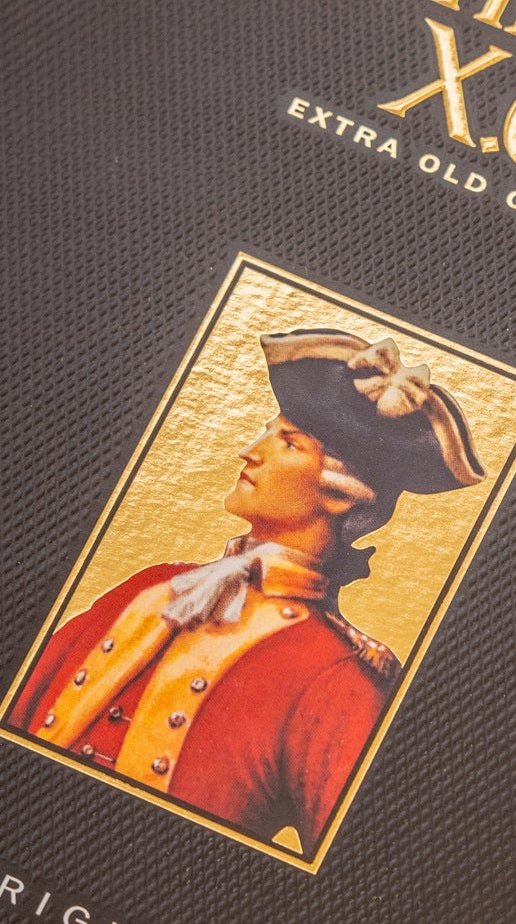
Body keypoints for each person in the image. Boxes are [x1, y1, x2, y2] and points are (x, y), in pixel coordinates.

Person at [8, 328, 484, 854]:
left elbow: (357, 865)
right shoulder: (149, 587)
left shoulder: (333, 677)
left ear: (341, 494)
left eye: (288, 443)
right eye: (266, 433)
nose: (249, 452)